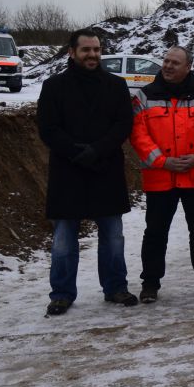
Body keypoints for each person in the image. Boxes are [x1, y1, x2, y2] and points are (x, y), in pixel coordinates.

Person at [38, 28, 138, 315]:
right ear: (72, 52)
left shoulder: (116, 85)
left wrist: (96, 150)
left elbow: (123, 125)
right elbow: (48, 129)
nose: (92, 55)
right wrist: (76, 152)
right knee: (64, 239)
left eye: (96, 50)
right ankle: (62, 293)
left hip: (105, 169)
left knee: (113, 236)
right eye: (86, 50)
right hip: (67, 172)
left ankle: (116, 287)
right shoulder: (54, 86)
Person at [130, 45, 194, 303]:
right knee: (155, 232)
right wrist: (163, 161)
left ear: (188, 67)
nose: (168, 66)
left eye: (175, 63)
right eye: (166, 61)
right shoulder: (145, 96)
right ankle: (150, 283)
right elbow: (139, 135)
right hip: (161, 178)